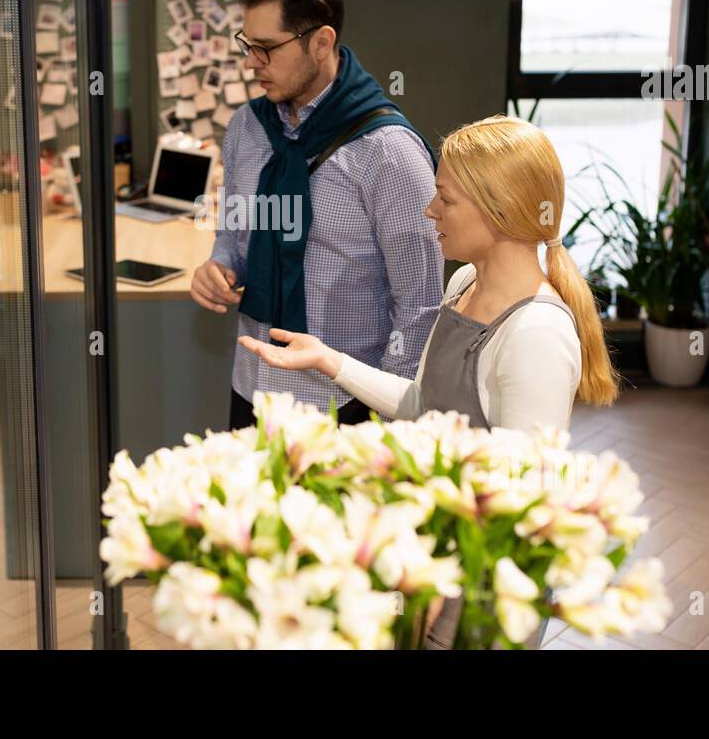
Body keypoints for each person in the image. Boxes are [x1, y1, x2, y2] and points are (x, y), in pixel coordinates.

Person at [238, 114, 619, 647]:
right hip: (435, 561)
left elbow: (524, 498)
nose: (429, 210)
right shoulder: (465, 282)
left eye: (447, 198)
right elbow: (423, 403)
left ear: (500, 208)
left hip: (482, 589)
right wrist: (328, 360)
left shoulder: (535, 333)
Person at [190, 0, 443, 431]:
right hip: (251, 387)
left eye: (266, 49)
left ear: (321, 42)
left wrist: (396, 418)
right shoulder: (247, 128)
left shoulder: (389, 153)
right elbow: (234, 235)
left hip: (345, 404)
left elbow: (421, 305)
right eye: (248, 46)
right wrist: (218, 267)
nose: (251, 63)